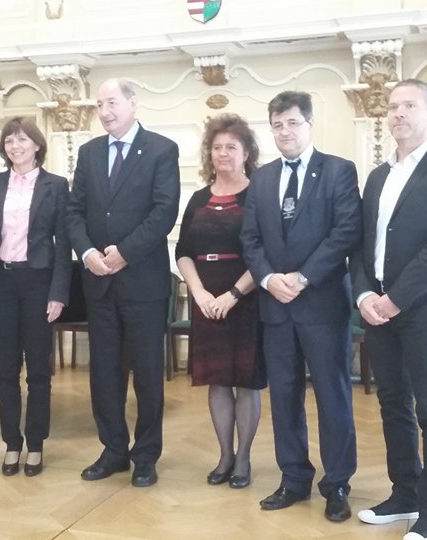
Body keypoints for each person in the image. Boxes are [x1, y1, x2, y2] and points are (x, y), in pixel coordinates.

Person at [350, 79, 427, 540]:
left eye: (409, 105)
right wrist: (365, 296)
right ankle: (404, 493)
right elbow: (361, 244)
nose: (398, 113)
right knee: (392, 403)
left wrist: (395, 299)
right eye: (392, 106)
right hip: (378, 310)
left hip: (426, 311)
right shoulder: (378, 176)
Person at [239, 90, 362, 521]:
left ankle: (337, 483)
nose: (285, 131)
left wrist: (303, 277)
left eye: (292, 123)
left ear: (309, 124)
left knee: (333, 397)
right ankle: (293, 478)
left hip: (322, 305)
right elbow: (250, 239)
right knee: (284, 397)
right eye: (277, 125)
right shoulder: (261, 179)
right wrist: (269, 279)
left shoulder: (338, 170)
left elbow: (346, 232)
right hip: (276, 307)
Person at [66, 78, 180, 487]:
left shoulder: (162, 150)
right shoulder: (90, 152)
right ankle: (113, 449)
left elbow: (164, 211)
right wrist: (87, 252)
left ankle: (145, 455)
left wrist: (125, 252)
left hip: (143, 284)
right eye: (99, 105)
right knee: (104, 373)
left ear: (133, 103)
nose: (105, 111)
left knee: (147, 374)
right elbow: (74, 211)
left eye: (112, 102)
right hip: (98, 282)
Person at [0, 117, 71, 477]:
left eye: (22, 140)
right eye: (9, 141)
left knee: (39, 370)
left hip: (38, 282)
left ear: (37, 145)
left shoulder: (56, 185)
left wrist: (59, 293)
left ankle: (36, 443)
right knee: (5, 370)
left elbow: (63, 245)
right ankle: (12, 442)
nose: (15, 146)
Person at [174, 113, 264, 489]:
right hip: (206, 299)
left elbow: (265, 254)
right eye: (217, 147)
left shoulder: (258, 194)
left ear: (247, 153)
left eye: (231, 147)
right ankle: (225, 455)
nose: (223, 153)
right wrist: (198, 292)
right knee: (217, 381)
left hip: (246, 298)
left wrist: (233, 294)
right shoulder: (198, 198)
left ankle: (243, 459)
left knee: (245, 382)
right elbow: (183, 251)